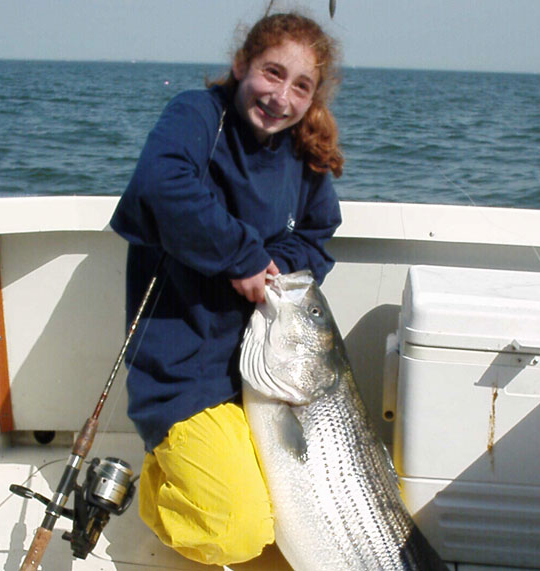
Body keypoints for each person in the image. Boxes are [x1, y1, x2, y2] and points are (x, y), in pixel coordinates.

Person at [109, 11, 344, 566]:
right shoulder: (196, 114)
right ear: (241, 66)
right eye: (271, 72)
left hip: (259, 369)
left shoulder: (304, 157)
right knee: (238, 534)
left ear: (312, 99)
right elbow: (160, 184)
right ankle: (159, 489)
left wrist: (273, 267)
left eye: (300, 86)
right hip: (184, 367)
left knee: (299, 526)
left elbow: (317, 237)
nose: (280, 97)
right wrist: (240, 258)